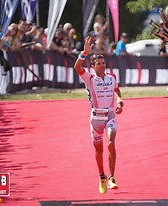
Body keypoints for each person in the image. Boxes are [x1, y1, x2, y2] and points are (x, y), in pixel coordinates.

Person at [74, 36, 123, 193]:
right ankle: (101, 176)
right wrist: (84, 53)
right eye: (98, 64)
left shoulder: (111, 77)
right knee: (99, 150)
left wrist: (120, 101)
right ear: (93, 66)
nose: (102, 66)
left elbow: (116, 90)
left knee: (111, 140)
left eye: (103, 63)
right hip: (96, 118)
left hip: (109, 115)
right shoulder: (89, 78)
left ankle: (112, 178)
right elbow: (77, 67)